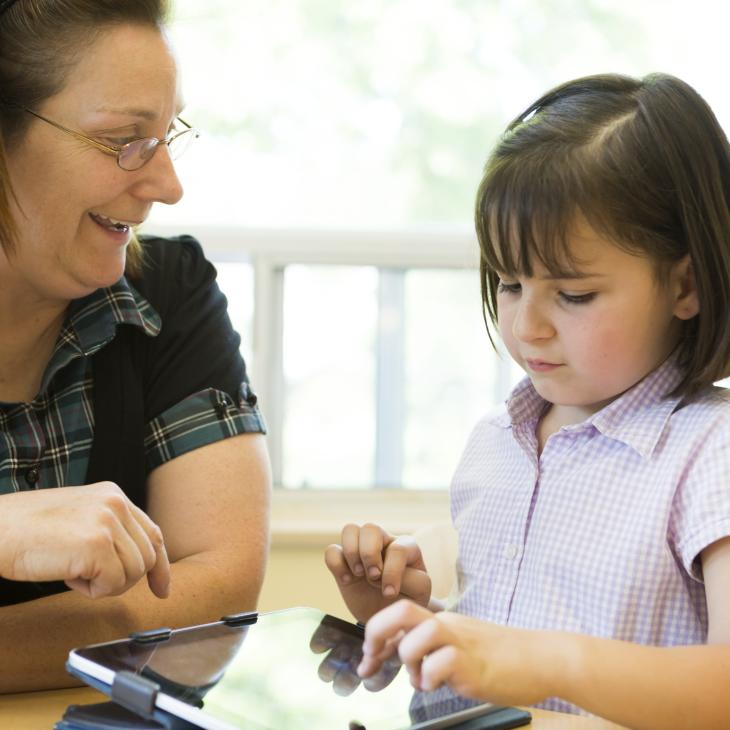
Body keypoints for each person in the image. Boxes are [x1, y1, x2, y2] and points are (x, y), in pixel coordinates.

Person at [325, 72, 730, 729]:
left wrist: (543, 661)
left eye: (573, 295)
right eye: (509, 283)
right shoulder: (497, 443)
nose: (526, 326)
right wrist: (411, 625)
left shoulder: (711, 451)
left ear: (685, 285)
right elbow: (494, 684)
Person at [0, 0, 271, 693]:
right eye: (125, 139)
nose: (168, 186)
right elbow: (171, 607)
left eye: (168, 133)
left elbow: (220, 591)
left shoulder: (168, 292)